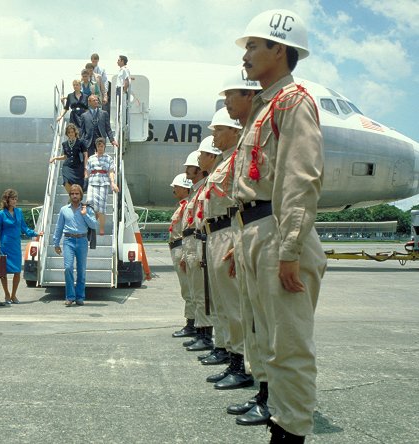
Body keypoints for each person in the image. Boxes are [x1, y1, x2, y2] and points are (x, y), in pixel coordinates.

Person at [233, 9, 327, 442]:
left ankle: (291, 434)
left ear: (280, 49)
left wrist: (290, 247)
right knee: (267, 338)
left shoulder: (294, 102)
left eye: (254, 45)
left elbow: (300, 177)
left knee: (288, 346)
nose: (246, 54)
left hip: (278, 233)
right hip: (257, 230)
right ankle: (279, 420)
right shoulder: (262, 106)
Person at [217, 68, 271, 426]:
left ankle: (277, 402)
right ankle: (264, 392)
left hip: (267, 229)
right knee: (251, 317)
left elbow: (297, 181)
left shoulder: (284, 109)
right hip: (244, 230)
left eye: (230, 95)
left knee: (269, 324)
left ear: (248, 95)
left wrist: (292, 247)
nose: (225, 103)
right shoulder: (242, 144)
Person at [199, 109, 254, 390]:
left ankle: (242, 364)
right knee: (221, 303)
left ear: (234, 130)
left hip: (228, 231)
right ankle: (231, 357)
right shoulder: (222, 162)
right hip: (214, 234)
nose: (213, 135)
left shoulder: (237, 159)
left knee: (234, 305)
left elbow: (242, 200)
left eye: (218, 129)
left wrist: (237, 239)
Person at [179, 137, 220, 354]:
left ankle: (206, 336)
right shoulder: (196, 192)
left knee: (205, 293)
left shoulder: (204, 188)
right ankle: (201, 332)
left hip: (203, 241)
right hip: (194, 243)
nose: (187, 170)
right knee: (197, 292)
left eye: (190, 167)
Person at [52, 184, 98, 306]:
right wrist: (56, 243)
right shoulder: (64, 210)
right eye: (72, 194)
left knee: (81, 270)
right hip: (68, 240)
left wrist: (85, 214)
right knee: (68, 268)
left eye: (77, 194)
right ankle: (70, 297)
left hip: (82, 241)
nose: (74, 196)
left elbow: (94, 225)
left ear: (81, 195)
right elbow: (59, 227)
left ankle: (80, 297)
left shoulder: (87, 209)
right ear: (70, 195)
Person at [0, 189, 41, 304]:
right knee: (3, 272)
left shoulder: (19, 212)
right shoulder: (1, 214)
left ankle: (13, 295)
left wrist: (35, 233)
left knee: (17, 271)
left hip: (16, 246)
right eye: (12, 198)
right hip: (5, 245)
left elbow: (24, 228)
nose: (15, 201)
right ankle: (6, 295)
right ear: (7, 200)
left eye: (16, 198)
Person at [167, 173, 193, 344]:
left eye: (176, 187)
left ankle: (192, 324)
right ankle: (192, 322)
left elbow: (187, 231)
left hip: (181, 248)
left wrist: (184, 254)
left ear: (185, 188)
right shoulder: (182, 205)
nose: (173, 189)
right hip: (176, 248)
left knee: (189, 289)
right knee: (187, 290)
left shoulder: (187, 207)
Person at [85, 137, 119, 235]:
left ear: (104, 147)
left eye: (102, 146)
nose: (100, 148)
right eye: (98, 146)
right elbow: (87, 171)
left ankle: (101, 228)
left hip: (103, 182)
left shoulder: (108, 158)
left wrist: (112, 183)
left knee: (101, 207)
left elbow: (111, 172)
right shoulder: (91, 158)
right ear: (96, 146)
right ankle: (91, 226)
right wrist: (84, 181)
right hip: (92, 182)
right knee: (90, 204)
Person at [50, 123, 89, 193]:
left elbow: (86, 155)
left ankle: (75, 198)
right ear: (67, 133)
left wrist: (85, 167)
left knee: (78, 185)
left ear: (75, 132)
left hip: (78, 166)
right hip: (67, 166)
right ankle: (71, 197)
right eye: (69, 132)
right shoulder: (64, 144)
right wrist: (55, 158)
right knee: (66, 182)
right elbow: (65, 156)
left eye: (72, 132)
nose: (71, 134)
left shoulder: (81, 142)